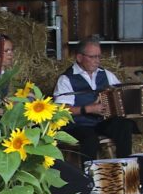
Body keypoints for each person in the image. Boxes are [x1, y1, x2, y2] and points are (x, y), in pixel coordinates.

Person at [55, 36, 135, 164]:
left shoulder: (106, 74)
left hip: (101, 122)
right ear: (79, 57)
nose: (97, 61)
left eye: (98, 57)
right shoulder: (66, 79)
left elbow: (122, 94)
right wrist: (88, 109)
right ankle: (89, 178)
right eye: (92, 57)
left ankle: (126, 167)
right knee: (90, 139)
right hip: (78, 125)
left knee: (124, 125)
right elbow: (60, 110)